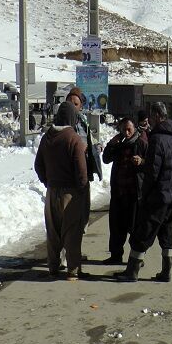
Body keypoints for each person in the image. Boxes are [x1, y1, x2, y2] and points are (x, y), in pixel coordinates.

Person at [115, 102, 172, 282]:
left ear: (157, 115)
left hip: (157, 196)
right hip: (171, 196)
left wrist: (144, 194)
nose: (149, 119)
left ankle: (132, 272)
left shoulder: (157, 139)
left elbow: (152, 172)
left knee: (142, 233)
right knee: (167, 234)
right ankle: (166, 272)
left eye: (151, 115)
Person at [34, 102, 89, 280]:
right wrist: (81, 189)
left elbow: (38, 165)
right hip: (70, 192)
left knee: (53, 231)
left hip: (52, 190)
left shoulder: (46, 137)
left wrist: (47, 181)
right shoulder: (74, 139)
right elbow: (81, 171)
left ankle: (52, 267)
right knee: (71, 231)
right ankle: (72, 270)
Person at [101, 117, 147, 265]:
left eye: (129, 129)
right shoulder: (119, 144)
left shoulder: (141, 144)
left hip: (134, 194)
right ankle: (116, 255)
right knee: (116, 227)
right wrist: (111, 144)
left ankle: (137, 258)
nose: (126, 133)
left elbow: (152, 164)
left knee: (135, 229)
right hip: (119, 193)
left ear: (134, 129)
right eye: (123, 130)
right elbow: (106, 159)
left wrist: (142, 161)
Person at [67, 87, 103, 235]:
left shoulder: (82, 122)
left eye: (75, 104)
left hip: (84, 175)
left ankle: (76, 252)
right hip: (69, 178)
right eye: (69, 103)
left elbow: (88, 140)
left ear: (81, 106)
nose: (72, 107)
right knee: (70, 219)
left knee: (83, 216)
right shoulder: (62, 123)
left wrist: (95, 147)